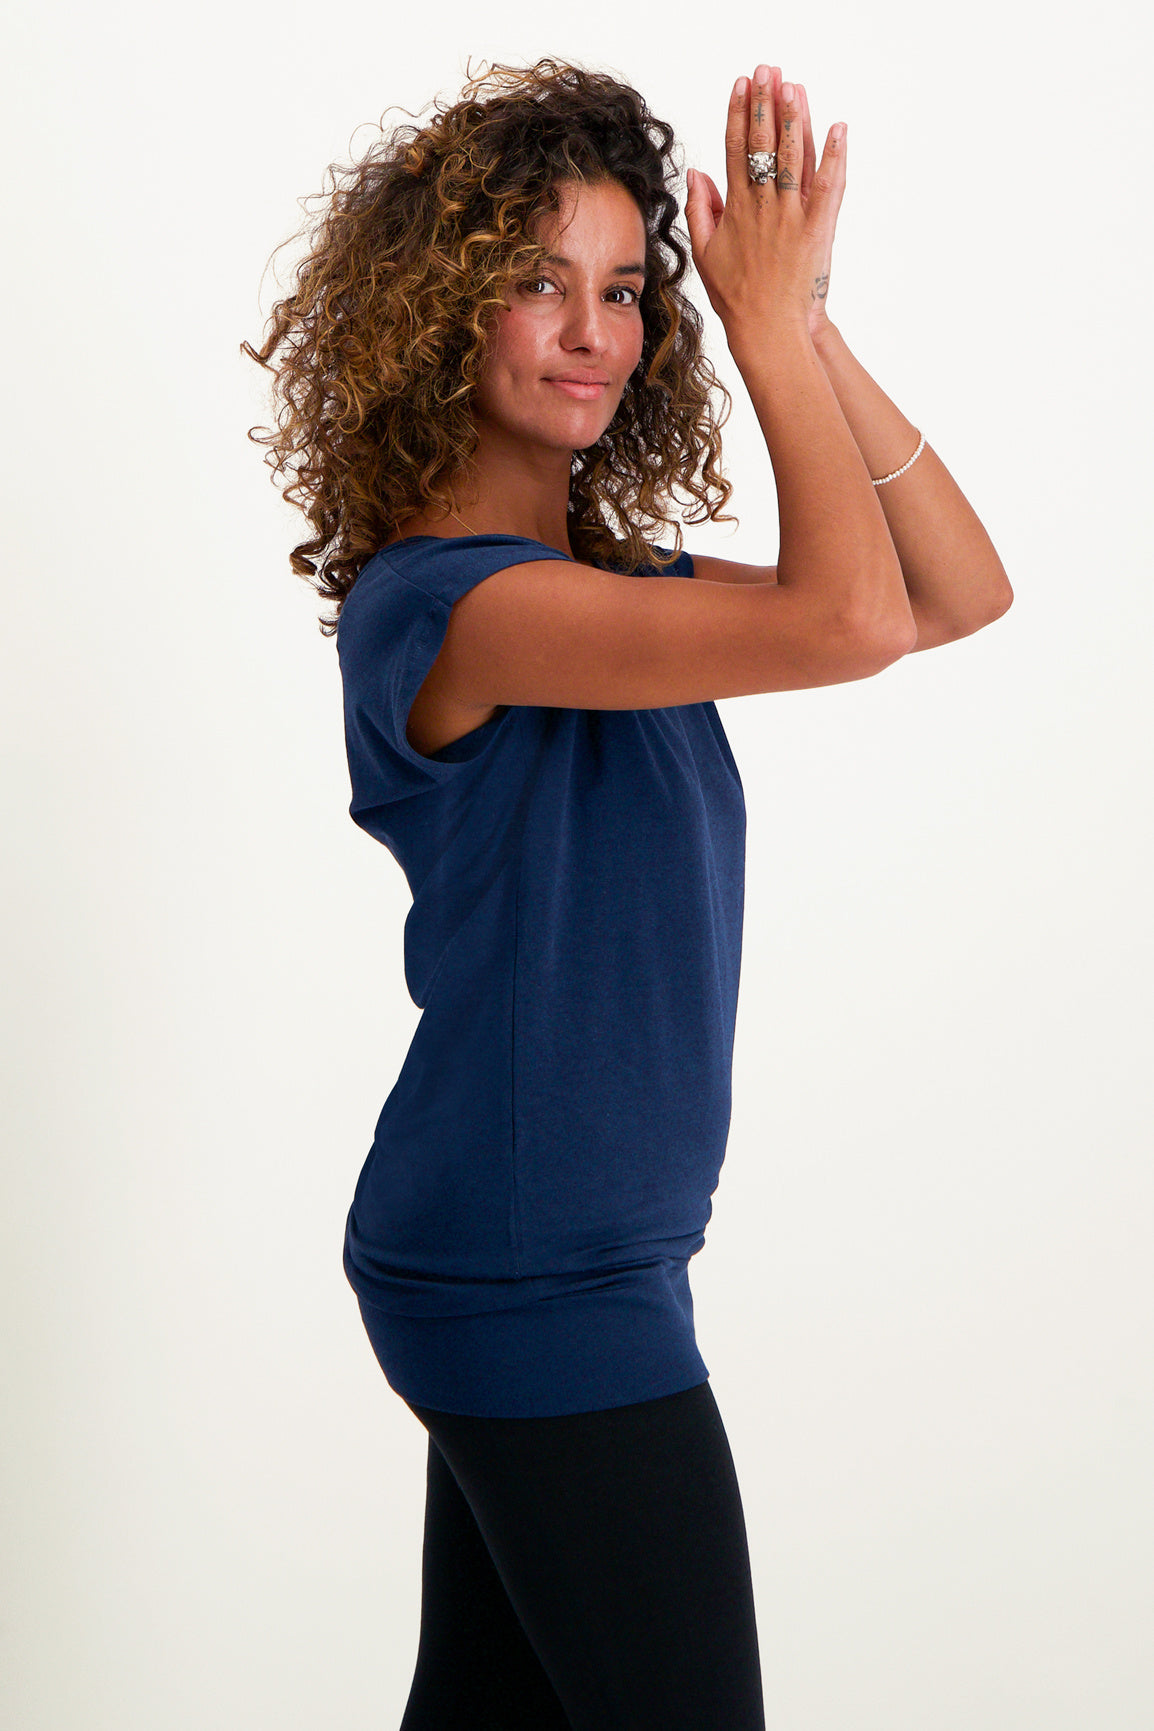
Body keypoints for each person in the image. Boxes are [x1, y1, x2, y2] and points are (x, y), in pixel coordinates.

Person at [244, 56, 1012, 1730]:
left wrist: (803, 325)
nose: (594, 330)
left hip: (576, 1253)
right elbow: (847, 624)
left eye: (623, 288)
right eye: (539, 283)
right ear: (444, 313)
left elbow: (952, 595)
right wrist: (762, 333)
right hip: (532, 1273)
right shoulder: (452, 609)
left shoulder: (608, 591)